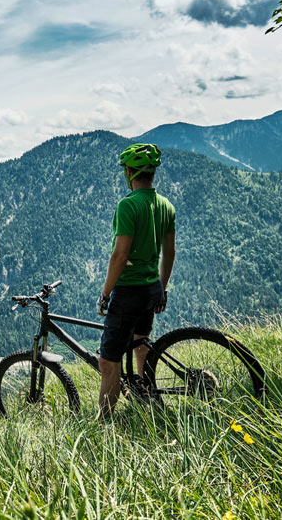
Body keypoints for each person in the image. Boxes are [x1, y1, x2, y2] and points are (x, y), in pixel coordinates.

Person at [95, 143, 175, 419]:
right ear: (152, 172)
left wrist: (105, 294)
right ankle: (146, 399)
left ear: (129, 172)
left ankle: (104, 424)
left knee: (108, 361)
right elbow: (170, 252)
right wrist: (162, 288)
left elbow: (119, 255)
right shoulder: (165, 205)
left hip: (129, 291)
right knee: (141, 343)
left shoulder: (128, 206)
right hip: (152, 287)